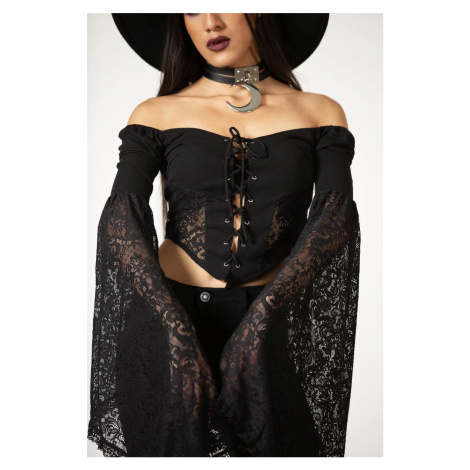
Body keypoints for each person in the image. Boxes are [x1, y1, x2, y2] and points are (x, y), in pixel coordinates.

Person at [87, 13, 361, 457]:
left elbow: (334, 218)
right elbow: (122, 218)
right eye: (193, 8)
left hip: (269, 323)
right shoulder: (157, 113)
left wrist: (262, 317)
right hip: (167, 319)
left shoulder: (319, 112)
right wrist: (173, 327)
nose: (211, 22)